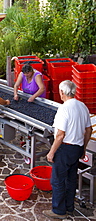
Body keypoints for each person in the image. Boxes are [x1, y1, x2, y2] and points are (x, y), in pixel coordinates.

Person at [43, 80, 92, 219]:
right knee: (71, 179)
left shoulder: (64, 109)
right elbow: (89, 130)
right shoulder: (82, 106)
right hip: (77, 148)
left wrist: (51, 152)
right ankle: (69, 207)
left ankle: (58, 211)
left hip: (65, 148)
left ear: (62, 92)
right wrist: (83, 147)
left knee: (57, 180)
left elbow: (60, 135)